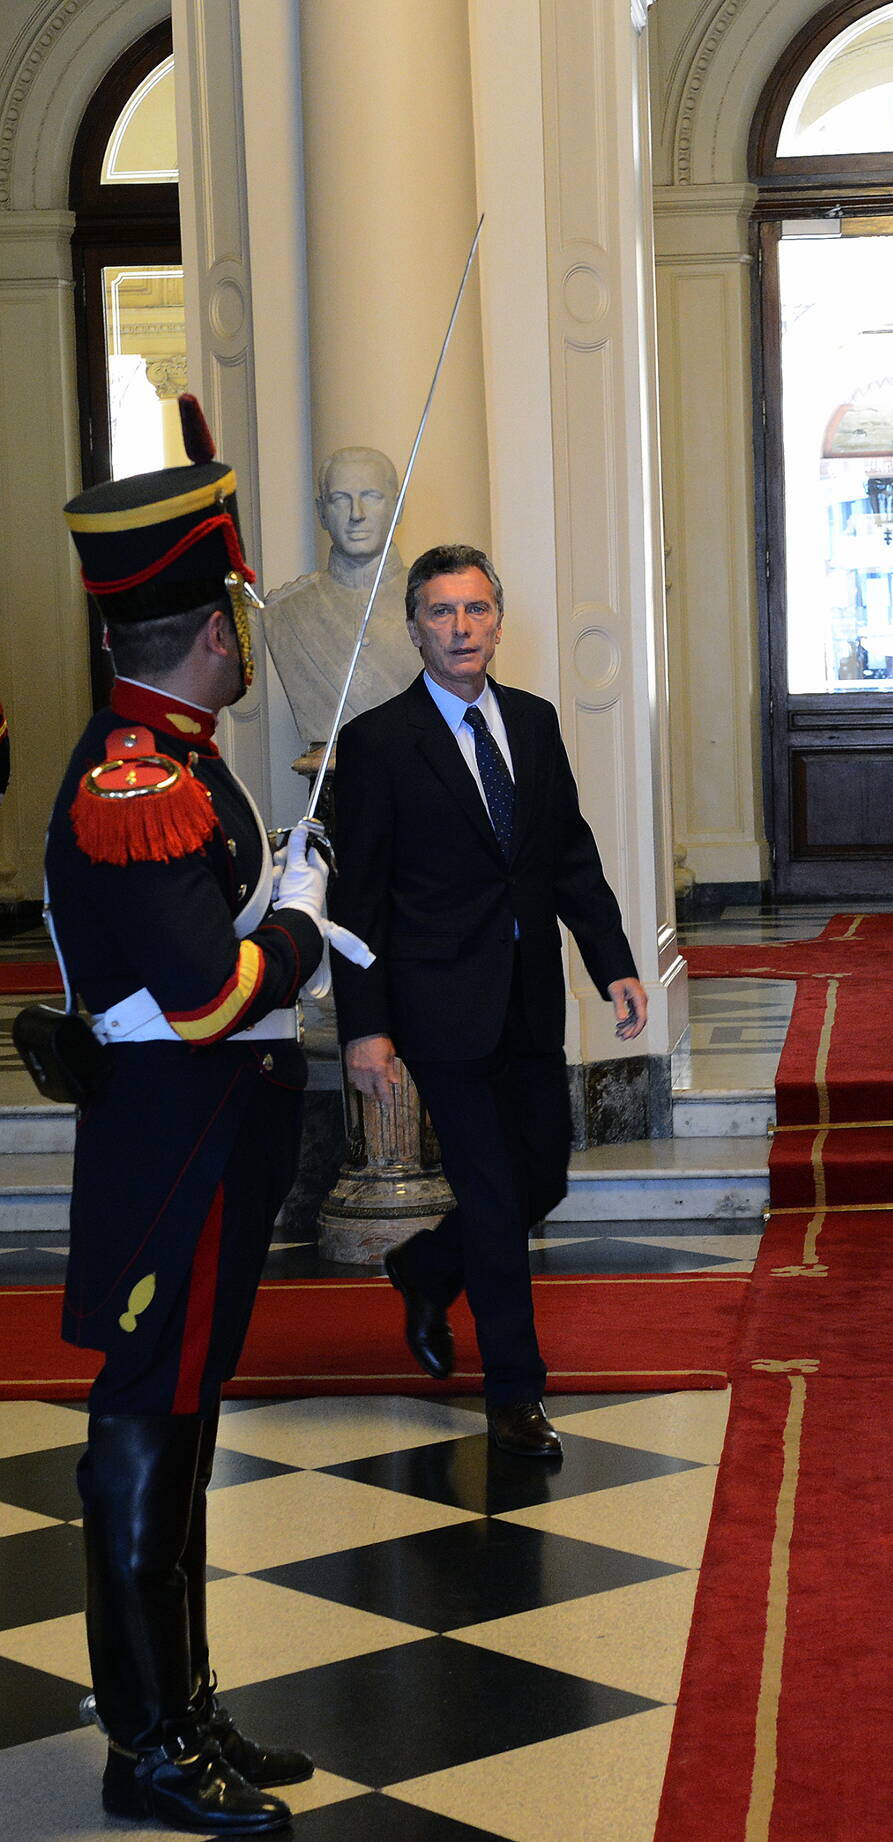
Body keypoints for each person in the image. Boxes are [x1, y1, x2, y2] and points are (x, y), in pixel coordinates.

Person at [50, 395, 369, 1833]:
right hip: (168, 1143)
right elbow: (202, 998)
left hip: (205, 1140)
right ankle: (143, 1746)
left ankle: (182, 1703)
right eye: (235, 611)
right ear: (195, 631)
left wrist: (273, 878)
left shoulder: (180, 758)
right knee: (143, 1427)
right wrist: (295, 930)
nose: (249, 633)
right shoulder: (135, 781)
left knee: (185, 1424)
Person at [330, 544, 648, 1458]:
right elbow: (360, 903)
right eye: (441, 613)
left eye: (475, 611)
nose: (461, 629)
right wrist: (368, 1026)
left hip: (530, 997)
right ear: (415, 626)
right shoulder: (380, 743)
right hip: (438, 1007)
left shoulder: (536, 724)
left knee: (541, 1172)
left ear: (499, 621)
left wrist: (614, 962)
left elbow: (568, 857)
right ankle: (515, 1395)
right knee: (496, 1193)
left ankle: (426, 1265)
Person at [262, 446, 422, 747]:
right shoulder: (285, 610)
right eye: (340, 500)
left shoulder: (432, 599)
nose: (356, 515)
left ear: (397, 508)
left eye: (370, 497)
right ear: (322, 511)